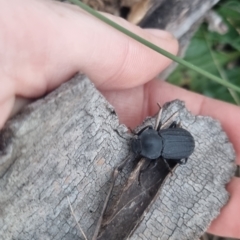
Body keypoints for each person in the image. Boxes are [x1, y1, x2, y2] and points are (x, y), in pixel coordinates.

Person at [0, 0, 239, 238]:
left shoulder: (159, 142)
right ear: (151, 135)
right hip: (176, 140)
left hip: (182, 143)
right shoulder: (156, 137)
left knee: (178, 160)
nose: (138, 140)